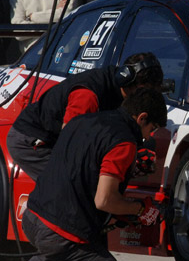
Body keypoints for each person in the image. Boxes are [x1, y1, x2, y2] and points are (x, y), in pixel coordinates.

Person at [16, 87, 168, 261]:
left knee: (80, 253)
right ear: (142, 117)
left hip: (33, 217)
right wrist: (138, 210)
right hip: (60, 233)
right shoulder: (124, 142)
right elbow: (104, 200)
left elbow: (83, 168)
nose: (149, 137)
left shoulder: (82, 121)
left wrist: (130, 168)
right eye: (151, 129)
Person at [7, 52, 164, 181]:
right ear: (132, 83)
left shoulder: (122, 94)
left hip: (58, 138)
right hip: (32, 139)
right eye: (146, 92)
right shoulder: (88, 96)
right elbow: (71, 144)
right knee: (72, 184)